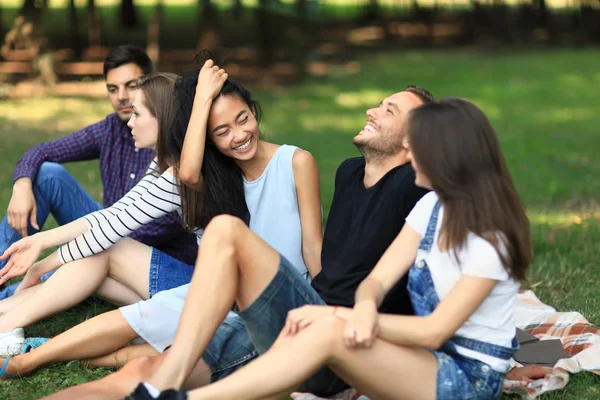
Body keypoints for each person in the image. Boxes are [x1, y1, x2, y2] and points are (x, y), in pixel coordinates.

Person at [39, 83, 434, 399]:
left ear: (413, 143)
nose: (372, 110)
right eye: (221, 131)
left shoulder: (418, 191)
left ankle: (168, 384)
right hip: (287, 311)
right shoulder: (349, 173)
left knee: (223, 235)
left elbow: (450, 247)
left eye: (389, 111)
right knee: (140, 369)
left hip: (329, 333)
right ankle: (29, 363)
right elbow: (327, 261)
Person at [139, 97, 532, 400]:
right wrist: (360, 307)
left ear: (447, 154)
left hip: (467, 378)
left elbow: (434, 330)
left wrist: (348, 321)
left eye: (418, 143)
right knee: (324, 320)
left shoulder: (489, 238)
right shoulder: (432, 206)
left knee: (327, 327)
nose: (408, 150)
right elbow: (376, 281)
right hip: (423, 357)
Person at [0, 61, 322, 384]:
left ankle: (17, 325)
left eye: (139, 113)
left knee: (112, 261)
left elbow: (312, 248)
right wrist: (43, 247)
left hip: (235, 289)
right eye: (222, 131)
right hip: (213, 285)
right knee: (114, 270)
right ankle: (15, 325)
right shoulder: (209, 170)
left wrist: (327, 311)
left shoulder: (263, 165)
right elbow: (115, 215)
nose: (129, 121)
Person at [0, 44, 198, 300]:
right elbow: (43, 151)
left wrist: (58, 257)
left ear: (152, 86)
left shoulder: (175, 160)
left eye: (132, 85)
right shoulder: (110, 129)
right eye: (113, 89)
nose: (122, 97)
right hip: (109, 224)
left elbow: (126, 230)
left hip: (150, 254)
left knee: (97, 249)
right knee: (48, 175)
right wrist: (22, 184)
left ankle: (12, 298)